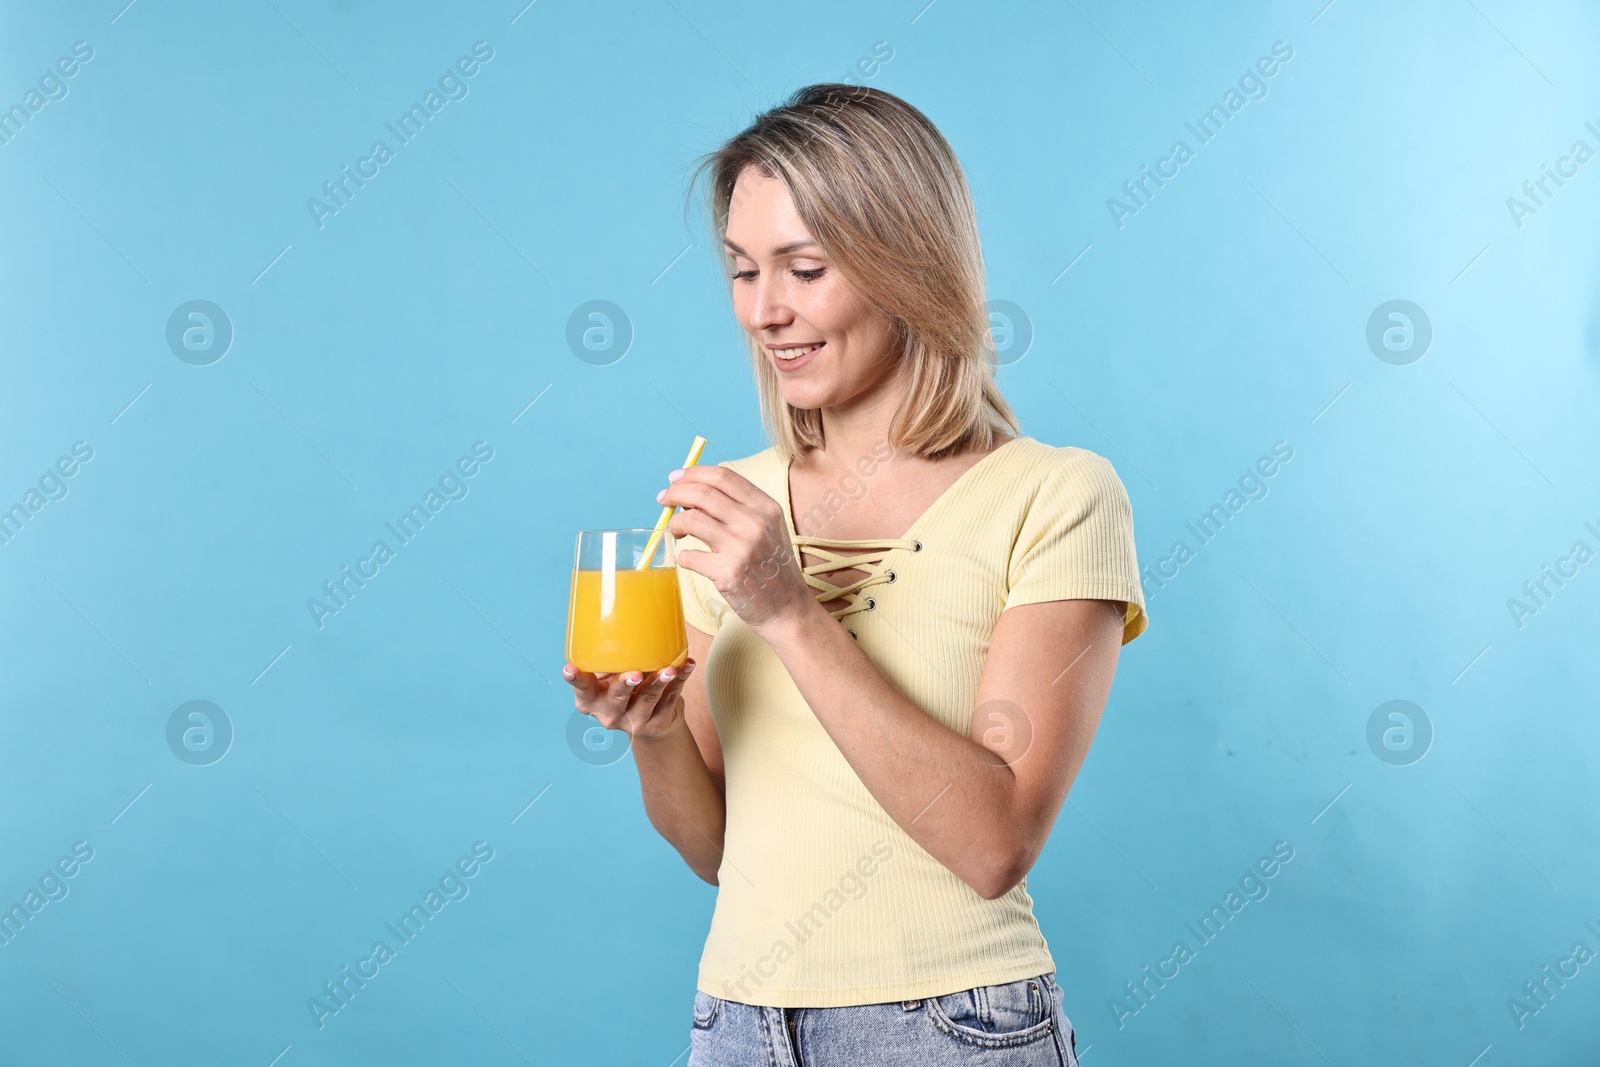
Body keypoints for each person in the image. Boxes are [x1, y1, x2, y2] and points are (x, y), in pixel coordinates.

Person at [561, 83, 1148, 1065]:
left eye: (803, 267)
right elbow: (713, 849)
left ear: (905, 263)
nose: (765, 310)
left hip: (953, 1027)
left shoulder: (1057, 496)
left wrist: (787, 609)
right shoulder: (727, 506)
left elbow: (992, 843)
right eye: (743, 271)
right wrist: (655, 732)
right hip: (738, 1023)